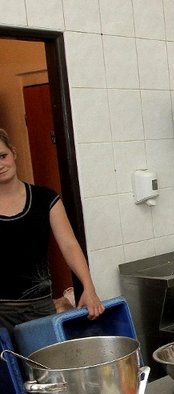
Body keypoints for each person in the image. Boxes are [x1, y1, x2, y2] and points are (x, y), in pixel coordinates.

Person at [0, 129, 104, 333]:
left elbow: (69, 245)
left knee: (47, 355)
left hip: (39, 308)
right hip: (1, 311)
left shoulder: (45, 199)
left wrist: (89, 288)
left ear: (14, 153)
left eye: (3, 156)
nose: (0, 165)